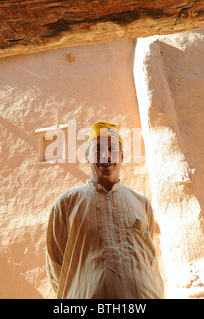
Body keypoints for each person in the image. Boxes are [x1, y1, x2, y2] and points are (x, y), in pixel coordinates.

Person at [46, 121, 164, 299]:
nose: (105, 155)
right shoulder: (66, 204)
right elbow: (56, 267)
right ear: (86, 156)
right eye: (97, 149)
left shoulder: (141, 203)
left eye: (112, 148)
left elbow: (149, 259)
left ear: (122, 156)